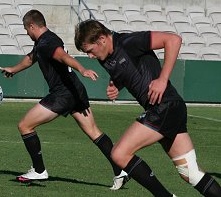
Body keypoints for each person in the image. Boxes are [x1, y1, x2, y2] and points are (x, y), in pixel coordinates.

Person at [74, 19, 221, 197]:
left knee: (119, 153)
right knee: (190, 173)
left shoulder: (129, 42)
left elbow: (173, 40)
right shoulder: (105, 58)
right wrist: (116, 85)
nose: (90, 56)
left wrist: (162, 79)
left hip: (164, 106)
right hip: (168, 110)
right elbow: (129, 70)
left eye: (90, 50)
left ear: (102, 39)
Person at [0, 10, 129, 190]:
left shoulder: (47, 43)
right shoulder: (44, 41)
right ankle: (120, 170)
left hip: (62, 94)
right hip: (75, 91)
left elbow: (63, 56)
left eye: (26, 29)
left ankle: (39, 170)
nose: (26, 33)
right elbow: (31, 59)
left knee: (24, 125)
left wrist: (82, 69)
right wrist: (13, 69)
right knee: (94, 132)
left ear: (32, 26)